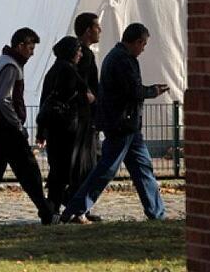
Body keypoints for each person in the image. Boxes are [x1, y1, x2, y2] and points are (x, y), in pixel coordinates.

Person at [60, 23, 169, 224]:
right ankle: (76, 208)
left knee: (142, 168)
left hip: (126, 124)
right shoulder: (123, 60)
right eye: (143, 44)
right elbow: (133, 91)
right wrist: (153, 91)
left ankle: (157, 212)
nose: (143, 49)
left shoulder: (116, 57)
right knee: (107, 170)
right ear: (136, 42)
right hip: (122, 123)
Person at [0, 28, 58, 226]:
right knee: (29, 170)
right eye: (30, 47)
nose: (32, 52)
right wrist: (18, 124)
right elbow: (4, 99)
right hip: (8, 127)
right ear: (20, 46)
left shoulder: (2, 62)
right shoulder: (12, 66)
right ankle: (45, 211)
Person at [35, 36, 94, 214]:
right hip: (69, 129)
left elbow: (45, 101)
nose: (80, 54)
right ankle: (70, 207)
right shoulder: (68, 70)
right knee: (71, 170)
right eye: (78, 50)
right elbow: (69, 95)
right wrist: (87, 97)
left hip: (55, 128)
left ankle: (56, 207)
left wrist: (41, 131)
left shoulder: (53, 71)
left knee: (58, 170)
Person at [70, 12, 103, 222]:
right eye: (96, 27)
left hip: (84, 116)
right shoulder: (85, 56)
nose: (100, 30)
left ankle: (81, 207)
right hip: (83, 117)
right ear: (88, 30)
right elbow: (81, 83)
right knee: (86, 163)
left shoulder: (83, 53)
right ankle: (78, 207)